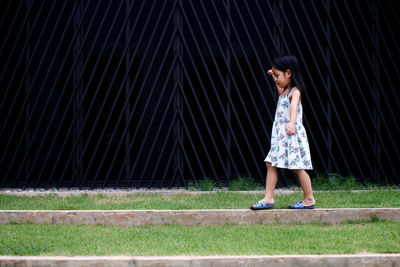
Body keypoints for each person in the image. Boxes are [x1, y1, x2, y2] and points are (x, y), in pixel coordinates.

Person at [251, 55, 316, 210]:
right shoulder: (284, 90)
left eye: (277, 75)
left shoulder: (295, 91)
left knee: (297, 167)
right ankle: (268, 198)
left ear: (289, 73)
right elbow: (280, 88)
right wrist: (273, 74)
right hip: (281, 135)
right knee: (270, 163)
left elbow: (293, 107)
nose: (275, 79)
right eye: (274, 76)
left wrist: (292, 124)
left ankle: (309, 199)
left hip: (290, 133)